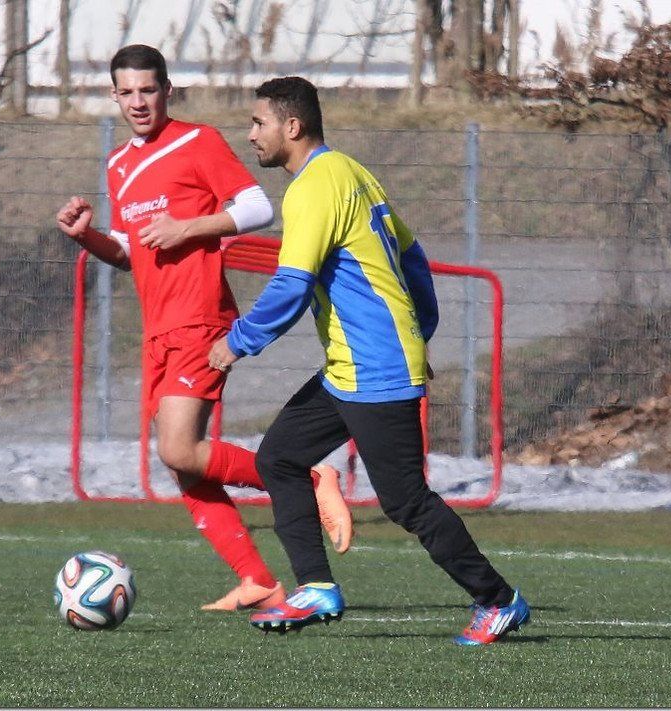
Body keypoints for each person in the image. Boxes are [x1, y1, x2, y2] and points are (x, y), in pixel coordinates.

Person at [209, 76, 530, 645]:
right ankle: (316, 587)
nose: (250, 134)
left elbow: (291, 285)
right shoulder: (351, 172)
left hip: (374, 368)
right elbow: (413, 257)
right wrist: (417, 334)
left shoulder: (313, 187)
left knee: (405, 501)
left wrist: (239, 341)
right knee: (279, 459)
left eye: (258, 123)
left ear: (292, 126)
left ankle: (498, 600)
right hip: (352, 367)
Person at [55, 47, 353, 612]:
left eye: (148, 90)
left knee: (179, 446)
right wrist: (87, 236)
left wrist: (189, 228)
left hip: (199, 317)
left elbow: (257, 208)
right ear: (114, 96)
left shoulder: (198, 141)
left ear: (168, 90)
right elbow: (132, 250)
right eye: (127, 92)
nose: (138, 102)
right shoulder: (119, 164)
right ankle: (256, 580)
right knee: (181, 460)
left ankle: (309, 478)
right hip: (158, 328)